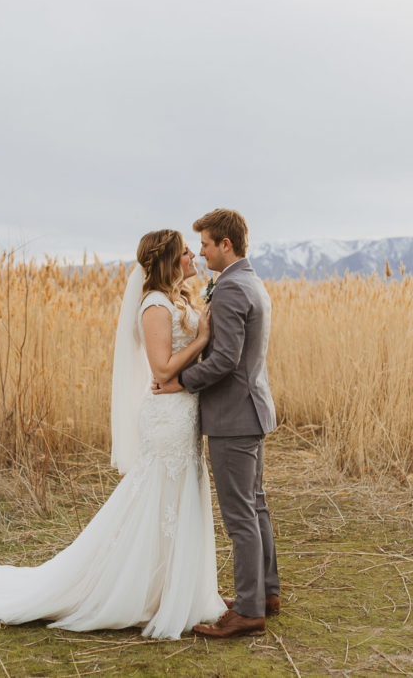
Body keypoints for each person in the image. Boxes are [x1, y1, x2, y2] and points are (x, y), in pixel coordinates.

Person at [0, 230, 226, 640]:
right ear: (172, 260)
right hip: (167, 415)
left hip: (184, 412)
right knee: (159, 497)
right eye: (187, 251)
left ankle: (174, 588)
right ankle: (135, 590)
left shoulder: (180, 300)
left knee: (181, 497)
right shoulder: (155, 306)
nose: (195, 255)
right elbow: (161, 370)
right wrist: (204, 339)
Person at [154, 208, 280, 639]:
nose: (202, 252)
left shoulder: (229, 290)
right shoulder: (251, 281)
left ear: (226, 244)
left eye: (206, 244)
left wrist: (181, 382)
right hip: (252, 409)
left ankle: (248, 611)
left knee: (240, 514)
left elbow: (225, 359)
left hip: (233, 416)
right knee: (255, 505)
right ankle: (264, 593)